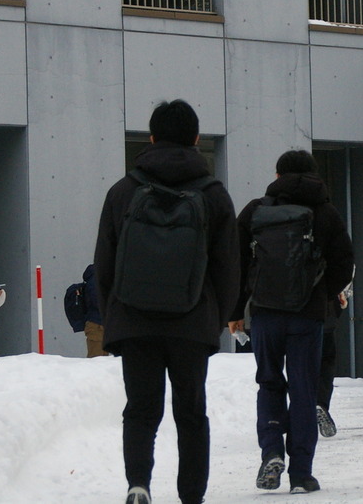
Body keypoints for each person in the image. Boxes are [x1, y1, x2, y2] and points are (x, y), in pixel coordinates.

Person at [94, 99, 239, 504]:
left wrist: (115, 317)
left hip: (134, 319)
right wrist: (214, 318)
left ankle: (138, 484)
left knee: (141, 409)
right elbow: (229, 266)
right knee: (191, 413)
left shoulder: (123, 192)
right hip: (192, 322)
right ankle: (191, 495)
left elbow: (104, 263)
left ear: (151, 138)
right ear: (196, 139)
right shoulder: (213, 194)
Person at [229, 149, 355, 495]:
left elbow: (235, 262)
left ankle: (271, 451)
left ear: (277, 173)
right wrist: (322, 294)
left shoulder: (256, 211)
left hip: (266, 313)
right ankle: (301, 473)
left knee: (269, 383)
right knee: (303, 390)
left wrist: (236, 310)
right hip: (307, 315)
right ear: (314, 175)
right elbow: (345, 261)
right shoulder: (325, 212)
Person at [317, 285, 349, 438]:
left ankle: (299, 413)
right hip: (323, 308)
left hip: (288, 313)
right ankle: (320, 403)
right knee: (326, 361)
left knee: (299, 364)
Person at [82, 263, 106, 358]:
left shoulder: (97, 279)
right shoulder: (95, 280)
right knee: (96, 359)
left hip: (100, 325)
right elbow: (97, 300)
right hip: (97, 326)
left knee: (103, 360)